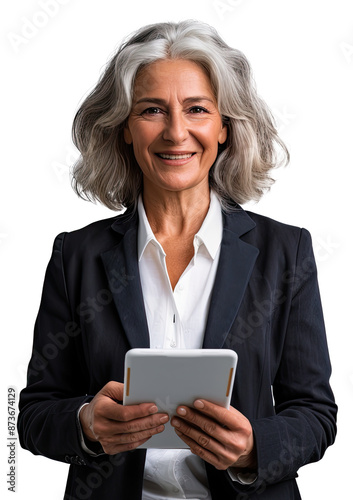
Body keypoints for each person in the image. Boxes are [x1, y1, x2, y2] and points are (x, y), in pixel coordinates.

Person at [18, 20, 337, 500]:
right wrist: (86, 424)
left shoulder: (284, 252)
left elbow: (315, 415)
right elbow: (32, 416)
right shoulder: (76, 256)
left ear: (224, 127)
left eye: (197, 109)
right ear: (125, 128)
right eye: (151, 110)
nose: (176, 132)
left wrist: (255, 447)